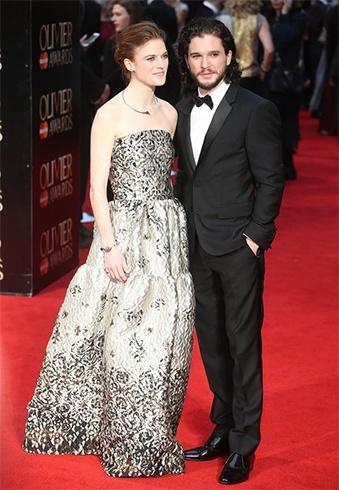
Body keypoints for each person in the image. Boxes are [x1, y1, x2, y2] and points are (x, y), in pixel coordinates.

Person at [23, 21, 195, 478]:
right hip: (121, 233)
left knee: (159, 336)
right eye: (151, 58)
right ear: (127, 64)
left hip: (164, 235)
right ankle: (96, 426)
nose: (161, 65)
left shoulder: (171, 114)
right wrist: (110, 246)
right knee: (108, 333)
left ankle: (147, 432)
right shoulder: (110, 115)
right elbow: (98, 190)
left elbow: (172, 178)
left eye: (164, 57)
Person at [174, 16, 285, 485]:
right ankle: (222, 428)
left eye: (213, 54)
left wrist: (256, 235)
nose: (205, 63)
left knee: (243, 346)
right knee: (213, 344)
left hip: (239, 247)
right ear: (186, 60)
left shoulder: (255, 108)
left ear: (229, 56)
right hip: (196, 246)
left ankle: (244, 443)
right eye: (196, 55)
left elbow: (271, 178)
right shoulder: (179, 108)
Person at [263, 0, 307, 180]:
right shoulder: (266, 17)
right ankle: (273, 164)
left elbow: (285, 36)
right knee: (270, 124)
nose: (276, 1)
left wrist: (285, 14)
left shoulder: (299, 17)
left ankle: (287, 163)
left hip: (289, 81)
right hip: (270, 78)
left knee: (289, 124)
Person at [217, 0, 274, 96]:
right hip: (252, 76)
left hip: (228, 75)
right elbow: (269, 49)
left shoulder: (221, 18)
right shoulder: (259, 19)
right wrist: (264, 69)